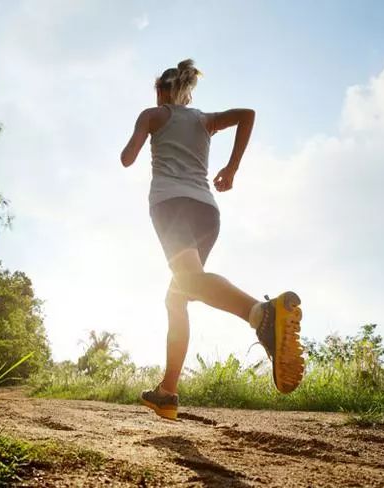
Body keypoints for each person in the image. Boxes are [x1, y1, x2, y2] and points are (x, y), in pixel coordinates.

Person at [120, 59, 304, 421]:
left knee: (188, 283)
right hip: (207, 210)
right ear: (187, 92)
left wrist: (143, 130)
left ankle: (262, 314)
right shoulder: (204, 120)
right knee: (178, 296)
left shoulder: (153, 114)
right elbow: (247, 114)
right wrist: (232, 167)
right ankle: (167, 392)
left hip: (170, 204)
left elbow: (128, 158)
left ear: (161, 91)